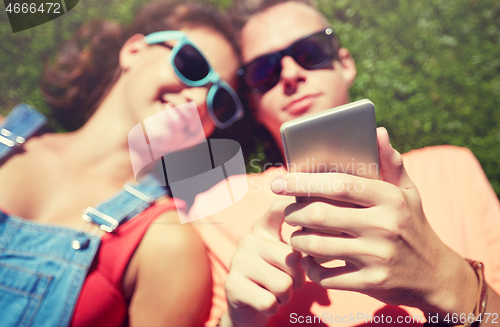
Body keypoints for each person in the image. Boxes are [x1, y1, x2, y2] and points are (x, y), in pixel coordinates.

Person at [187, 0, 500, 326]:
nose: (291, 74)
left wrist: (446, 281)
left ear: (345, 64)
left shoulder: (453, 168)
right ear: (252, 100)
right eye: (264, 71)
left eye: (310, 52)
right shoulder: (216, 205)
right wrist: (237, 321)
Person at [0, 1, 243, 326]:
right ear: (134, 51)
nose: (199, 100)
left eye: (220, 100)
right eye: (193, 65)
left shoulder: (165, 243)